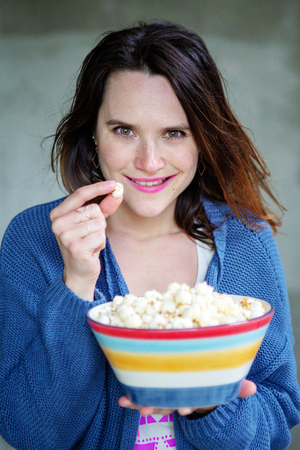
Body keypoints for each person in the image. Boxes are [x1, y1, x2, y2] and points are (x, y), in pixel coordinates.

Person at [0, 20, 299, 450]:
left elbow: (278, 421)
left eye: (174, 133)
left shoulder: (248, 240)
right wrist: (77, 285)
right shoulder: (34, 239)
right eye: (124, 131)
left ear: (203, 141)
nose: (149, 161)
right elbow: (33, 435)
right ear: (93, 133)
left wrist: (209, 405)